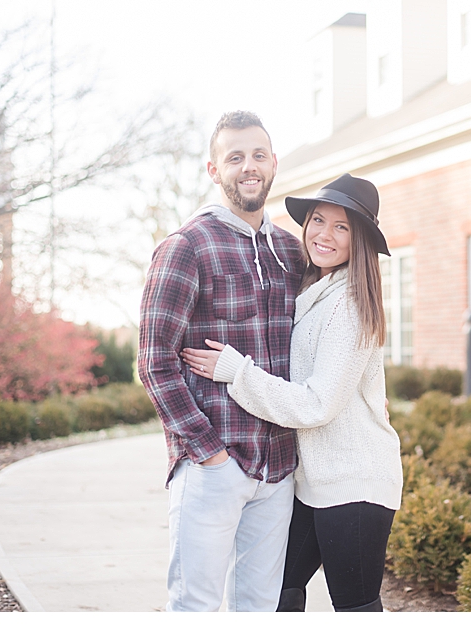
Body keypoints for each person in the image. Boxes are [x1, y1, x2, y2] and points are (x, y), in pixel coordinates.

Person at [181, 173, 404, 613]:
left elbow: (317, 403)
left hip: (355, 484)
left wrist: (236, 373)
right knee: (276, 589)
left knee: (355, 608)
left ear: (359, 240)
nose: (323, 234)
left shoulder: (350, 304)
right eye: (318, 220)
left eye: (341, 227)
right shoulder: (315, 291)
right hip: (314, 481)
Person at [138, 110, 305, 612]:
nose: (248, 166)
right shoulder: (187, 246)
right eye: (234, 157)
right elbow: (154, 362)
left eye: (258, 155)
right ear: (214, 170)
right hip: (214, 466)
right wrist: (208, 452)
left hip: (277, 467)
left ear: (273, 162)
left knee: (259, 608)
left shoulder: (290, 252)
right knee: (195, 607)